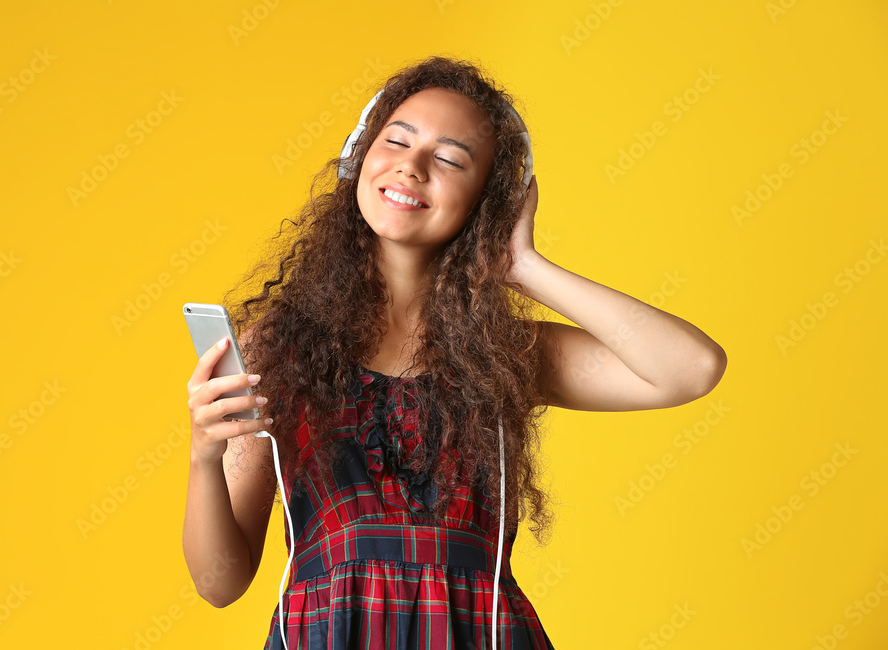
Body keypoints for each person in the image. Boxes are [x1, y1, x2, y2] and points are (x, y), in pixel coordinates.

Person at [182, 55, 727, 649]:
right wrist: (205, 456)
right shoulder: (278, 350)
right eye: (396, 141)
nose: (411, 166)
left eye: (449, 159)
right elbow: (219, 583)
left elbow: (692, 368)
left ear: (487, 203)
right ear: (359, 157)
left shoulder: (504, 354)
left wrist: (525, 267)